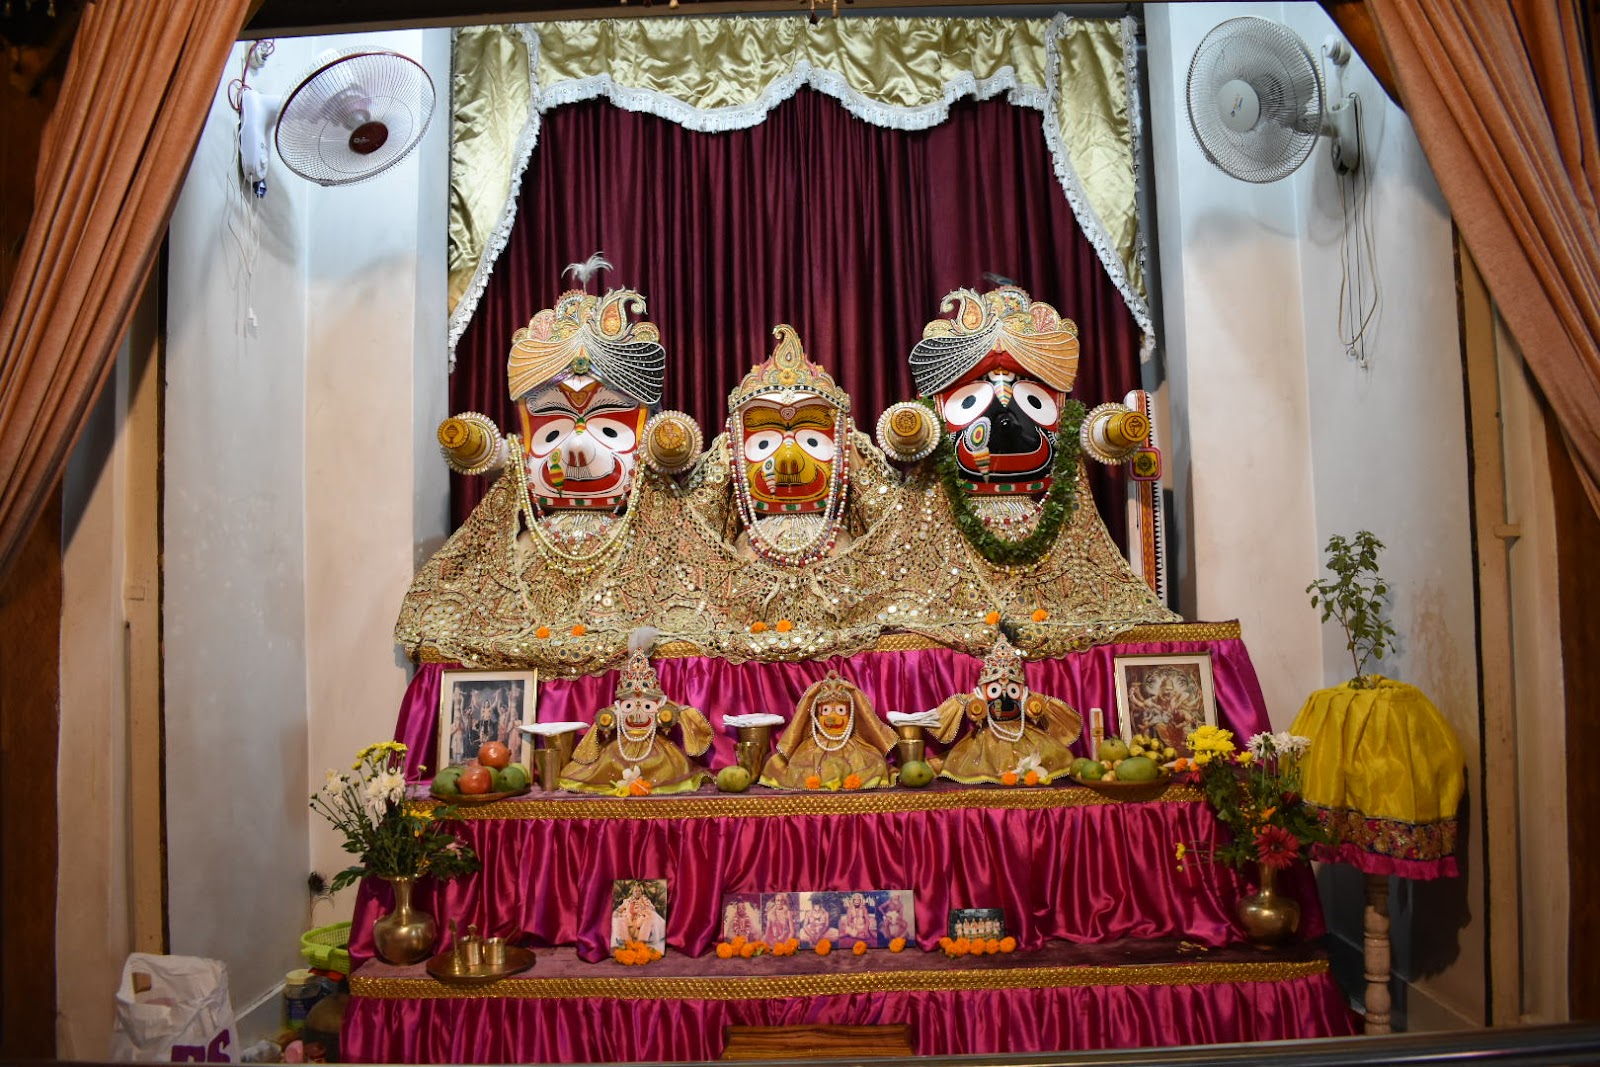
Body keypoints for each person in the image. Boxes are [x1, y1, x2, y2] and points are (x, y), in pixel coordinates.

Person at [760, 672, 896, 789]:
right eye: (826, 711)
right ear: (817, 714)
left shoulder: (860, 748)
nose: (833, 717)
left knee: (876, 764)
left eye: (841, 711)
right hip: (817, 746)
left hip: (850, 744)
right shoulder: (808, 749)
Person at [612, 883, 666, 948]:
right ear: (632, 892)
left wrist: (645, 908)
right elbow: (620, 909)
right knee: (620, 920)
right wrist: (616, 912)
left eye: (639, 891)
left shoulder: (645, 901)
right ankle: (627, 942)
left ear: (641, 892)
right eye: (635, 891)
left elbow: (652, 908)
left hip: (641, 920)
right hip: (630, 921)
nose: (637, 893)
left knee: (650, 917)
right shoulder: (627, 901)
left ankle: (641, 942)